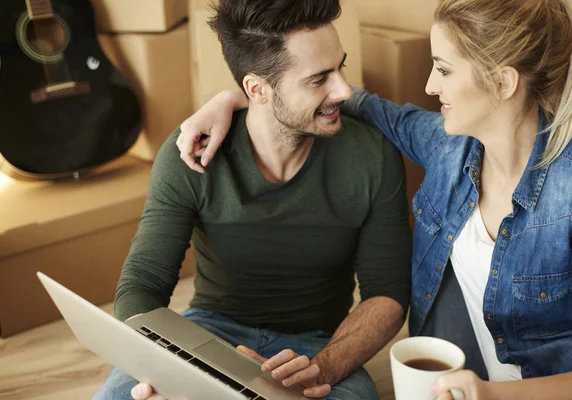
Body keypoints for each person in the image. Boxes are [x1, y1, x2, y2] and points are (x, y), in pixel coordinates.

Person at [176, 0, 572, 398]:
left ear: (503, 82)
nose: (430, 86)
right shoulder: (448, 148)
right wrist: (239, 98)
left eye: (444, 69)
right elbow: (334, 99)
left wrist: (491, 395)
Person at [93, 0, 413, 399]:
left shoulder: (371, 156)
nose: (345, 90)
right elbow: (144, 280)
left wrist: (321, 367)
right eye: (319, 79)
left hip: (319, 344)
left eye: (341, 67)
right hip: (206, 333)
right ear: (256, 89)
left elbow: (387, 292)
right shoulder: (192, 153)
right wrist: (159, 362)